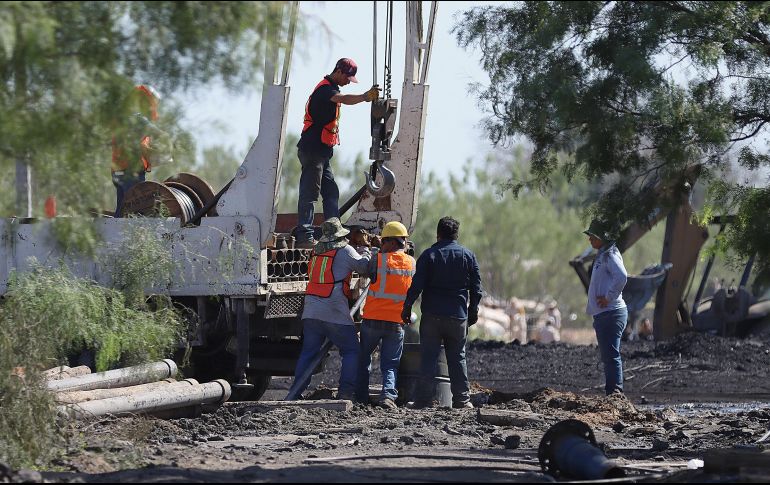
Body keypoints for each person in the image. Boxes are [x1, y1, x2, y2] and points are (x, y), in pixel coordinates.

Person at [294, 58, 381, 248]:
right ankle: (305, 236)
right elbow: (343, 99)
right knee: (310, 193)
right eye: (348, 78)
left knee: (331, 192)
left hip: (321, 153)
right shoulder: (326, 90)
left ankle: (334, 233)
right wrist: (365, 97)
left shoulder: (331, 88)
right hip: (312, 150)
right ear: (339, 72)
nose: (349, 81)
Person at [402, 217, 483, 409]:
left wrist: (407, 307)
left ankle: (423, 400)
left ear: (438, 234)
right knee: (457, 358)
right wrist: (472, 311)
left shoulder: (429, 255)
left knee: (428, 357)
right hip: (458, 316)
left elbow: (416, 286)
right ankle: (462, 400)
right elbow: (477, 289)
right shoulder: (468, 255)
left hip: (432, 316)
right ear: (456, 235)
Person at [288, 218, 371, 400]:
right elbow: (364, 268)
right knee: (351, 351)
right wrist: (366, 249)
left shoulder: (316, 251)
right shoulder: (345, 250)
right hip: (333, 309)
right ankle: (346, 392)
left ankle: (295, 393)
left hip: (311, 310)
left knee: (309, 352)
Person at [355, 221, 416, 409]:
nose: (381, 245)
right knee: (390, 364)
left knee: (364, 359)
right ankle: (388, 396)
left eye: (383, 242)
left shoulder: (379, 260)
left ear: (390, 242)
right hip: (396, 323)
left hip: (372, 320)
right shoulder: (412, 263)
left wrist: (369, 251)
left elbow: (364, 269)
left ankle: (360, 396)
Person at [111, 84, 172, 217]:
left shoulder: (120, 119)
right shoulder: (138, 119)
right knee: (138, 211)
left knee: (122, 210)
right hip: (131, 173)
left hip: (117, 171)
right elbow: (160, 135)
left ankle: (112, 236)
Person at [584, 219, 628, 395]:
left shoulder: (610, 254)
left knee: (611, 355)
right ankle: (613, 391)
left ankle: (615, 392)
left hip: (611, 313)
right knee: (609, 355)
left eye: (593, 236)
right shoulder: (604, 254)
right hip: (605, 314)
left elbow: (622, 277)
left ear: (602, 238)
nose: (590, 240)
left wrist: (608, 298)